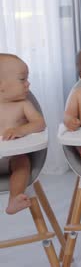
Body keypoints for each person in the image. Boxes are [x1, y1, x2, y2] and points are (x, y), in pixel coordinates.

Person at [0, 54, 46, 214]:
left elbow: (40, 123)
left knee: (22, 164)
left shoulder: (23, 105)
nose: (28, 84)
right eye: (22, 79)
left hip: (14, 158)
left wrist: (20, 130)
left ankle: (14, 198)